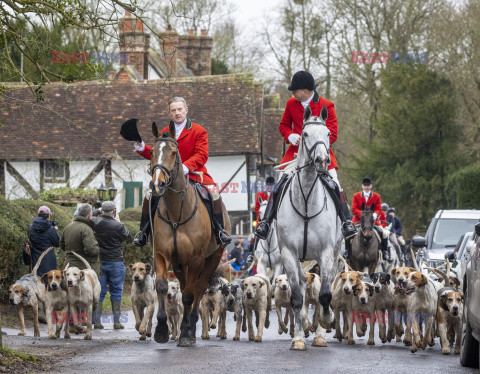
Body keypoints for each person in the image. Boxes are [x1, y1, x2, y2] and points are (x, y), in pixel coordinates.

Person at [255, 71, 356, 240]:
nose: (293, 93)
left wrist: (316, 144)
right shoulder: (291, 104)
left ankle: (346, 222)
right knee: (279, 184)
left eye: (295, 90)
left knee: (336, 184)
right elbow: (284, 125)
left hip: (320, 154)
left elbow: (333, 133)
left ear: (306, 90)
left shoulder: (327, 105)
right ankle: (265, 223)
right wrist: (290, 136)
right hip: (295, 155)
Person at [131, 97, 231, 247]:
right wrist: (142, 147)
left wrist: (185, 167)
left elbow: (202, 155)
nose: (177, 113)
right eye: (173, 110)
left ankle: (219, 231)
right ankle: (143, 233)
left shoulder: (199, 131)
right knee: (149, 195)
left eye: (179, 109)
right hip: (169, 178)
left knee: (214, 194)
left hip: (194, 174)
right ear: (170, 113)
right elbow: (158, 156)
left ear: (186, 110)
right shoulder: (163, 133)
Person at [93, 201, 131, 329]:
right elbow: (128, 236)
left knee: (100, 292)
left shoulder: (95, 222)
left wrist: (97, 211)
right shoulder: (118, 226)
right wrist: (119, 221)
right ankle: (116, 322)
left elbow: (89, 216)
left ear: (102, 211)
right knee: (116, 291)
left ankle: (97, 322)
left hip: (100, 262)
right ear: (114, 211)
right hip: (115, 262)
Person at [346, 176, 391, 261]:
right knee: (348, 232)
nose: (366, 187)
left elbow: (378, 209)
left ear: (371, 186)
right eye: (365, 185)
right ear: (362, 186)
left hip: (372, 220)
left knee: (384, 233)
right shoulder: (356, 195)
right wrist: (363, 215)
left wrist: (374, 214)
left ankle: (384, 252)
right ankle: (347, 251)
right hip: (358, 220)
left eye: (368, 185)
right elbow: (354, 209)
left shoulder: (377, 196)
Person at [60, 203, 101, 276]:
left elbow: (62, 245)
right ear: (89, 215)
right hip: (83, 269)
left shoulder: (68, 227)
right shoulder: (86, 229)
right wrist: (98, 249)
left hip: (69, 266)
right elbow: (91, 250)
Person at [29, 206, 60, 276]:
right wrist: (55, 231)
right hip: (49, 259)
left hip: (35, 258)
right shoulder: (51, 229)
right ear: (48, 216)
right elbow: (57, 243)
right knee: (48, 281)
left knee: (37, 280)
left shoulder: (31, 227)